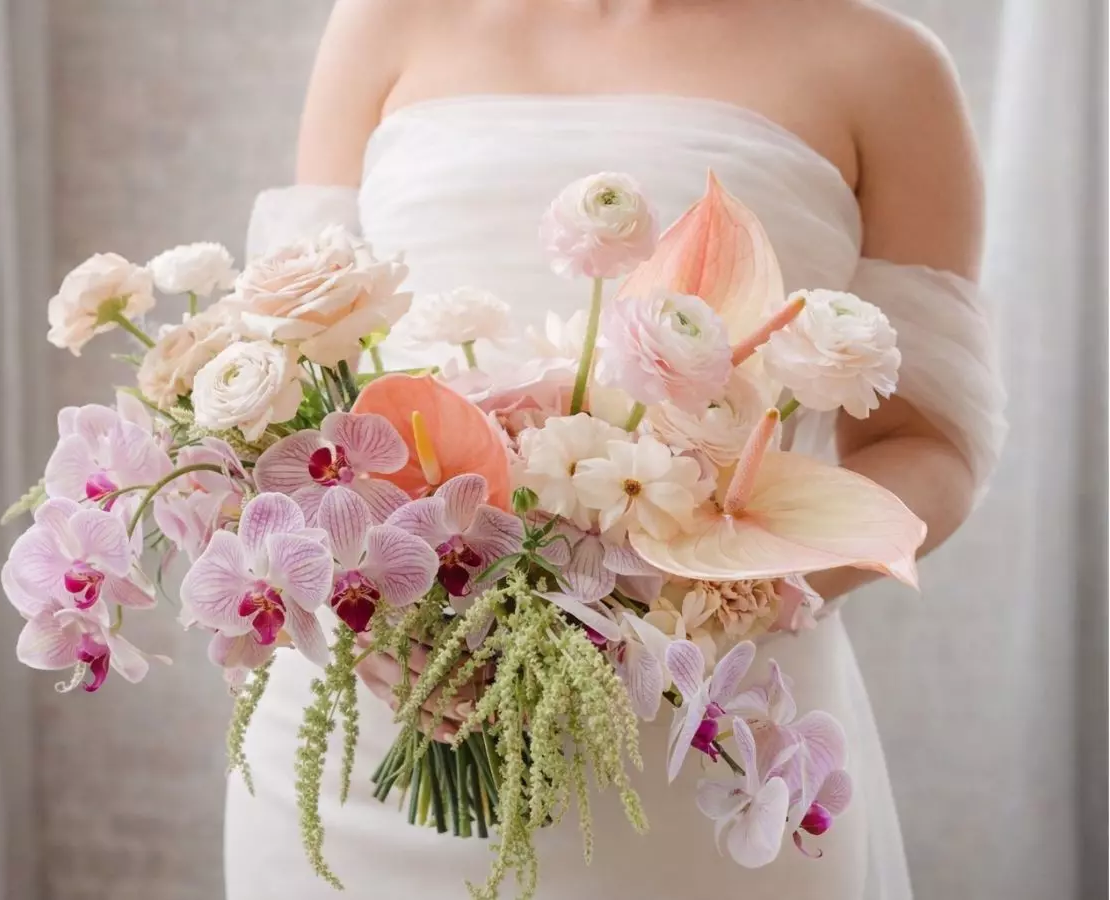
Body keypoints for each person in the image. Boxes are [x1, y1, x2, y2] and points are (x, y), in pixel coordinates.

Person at [227, 1, 1006, 897]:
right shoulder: (383, 21)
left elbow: (926, 446)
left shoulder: (886, 62)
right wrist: (367, 603)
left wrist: (707, 597)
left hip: (696, 731)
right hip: (370, 718)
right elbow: (292, 370)